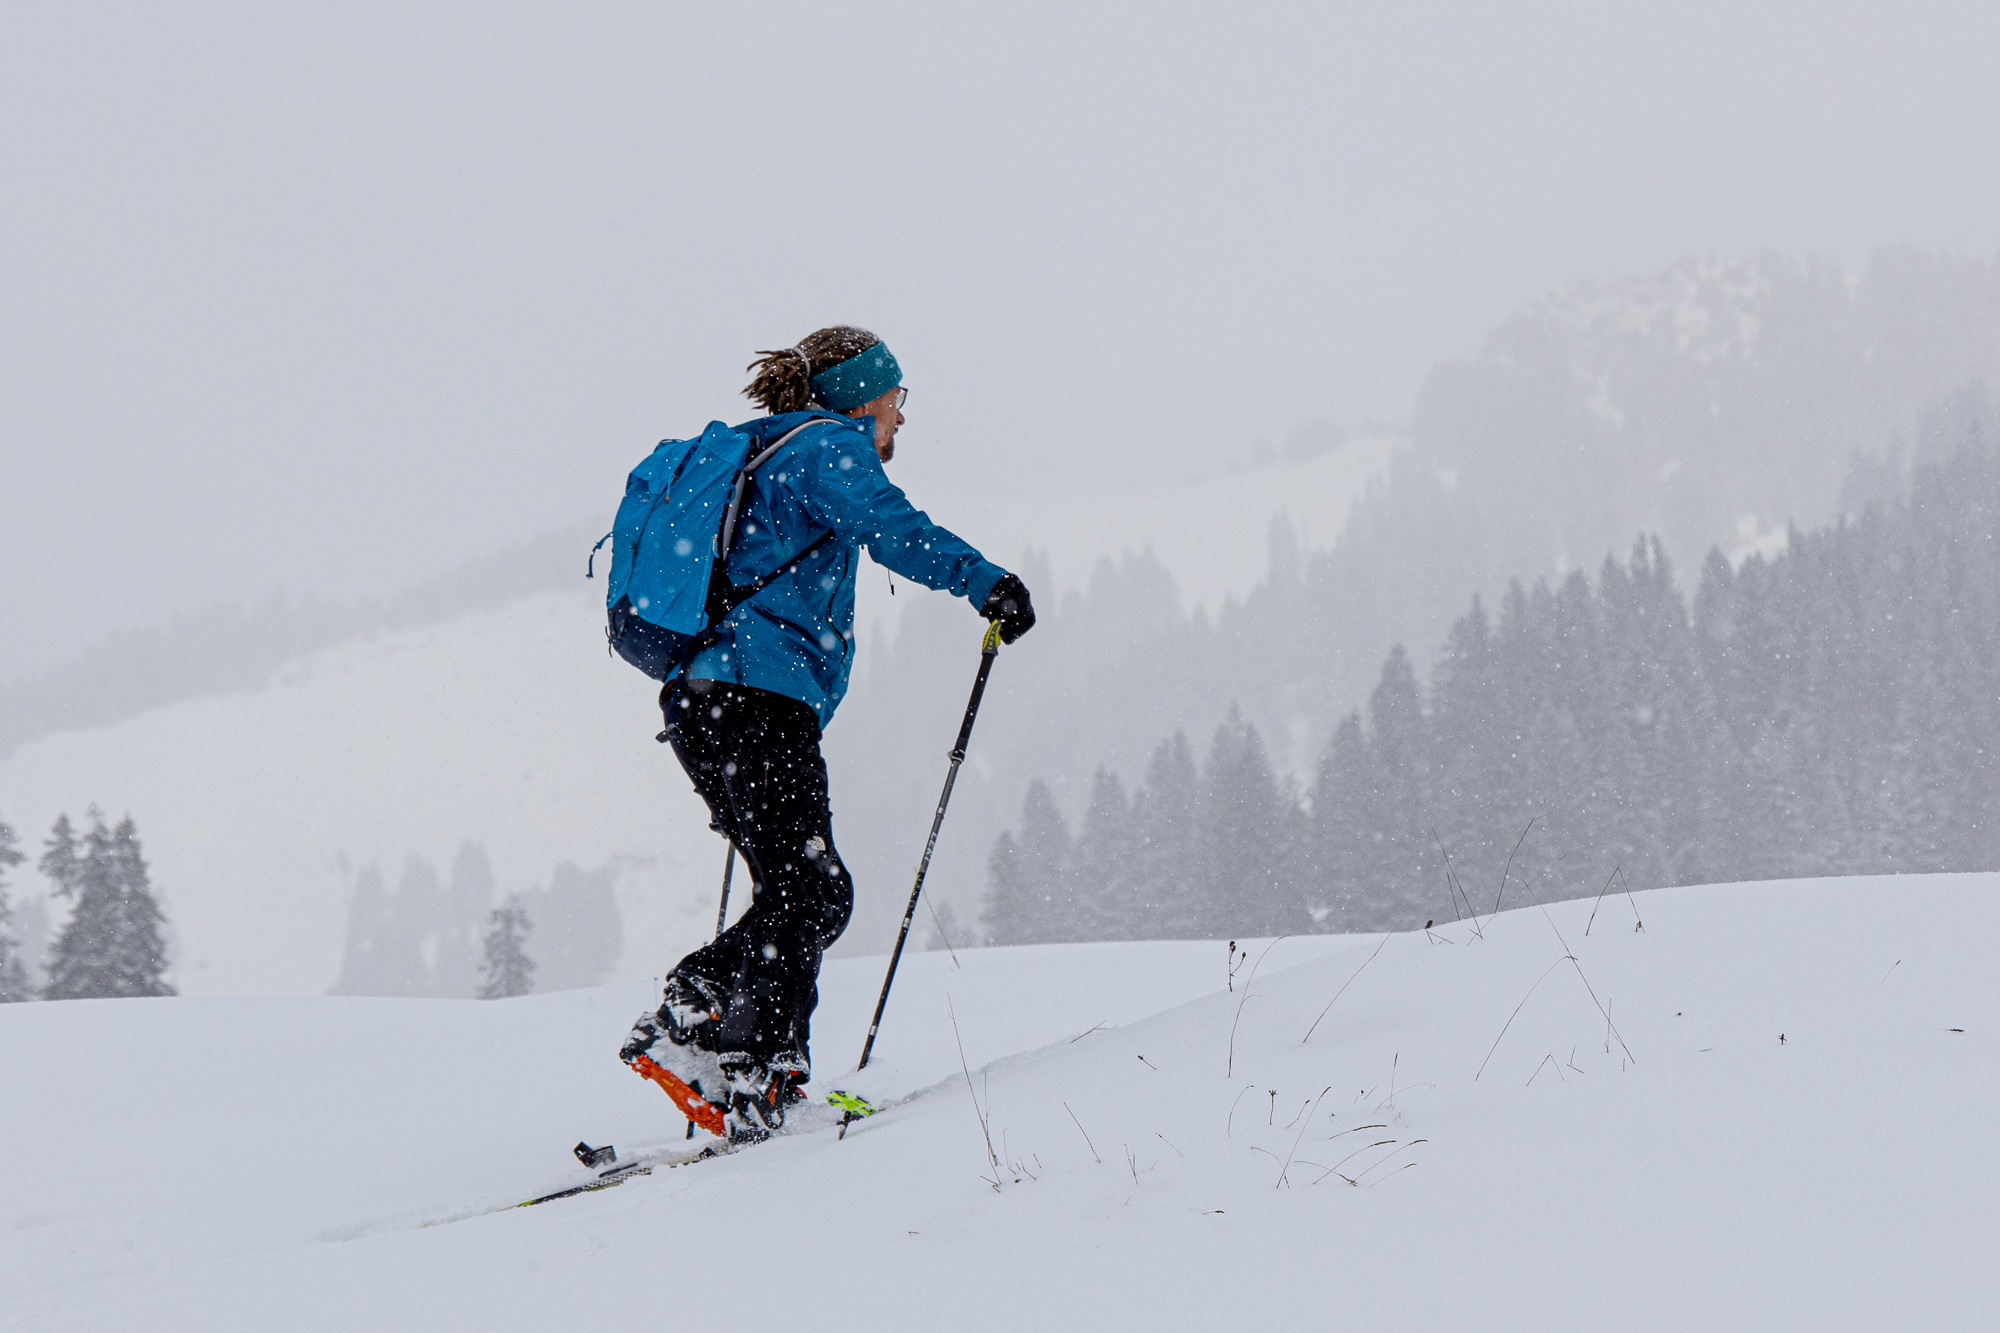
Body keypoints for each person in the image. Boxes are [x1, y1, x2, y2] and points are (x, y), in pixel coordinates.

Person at [618, 325, 1035, 1143]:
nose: (900, 420)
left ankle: (756, 1069)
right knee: (813, 890)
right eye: (895, 399)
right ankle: (697, 1019)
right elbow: (896, 528)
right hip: (754, 699)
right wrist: (989, 583)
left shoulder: (763, 453)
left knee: (796, 890)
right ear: (857, 398)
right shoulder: (827, 449)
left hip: (704, 701)